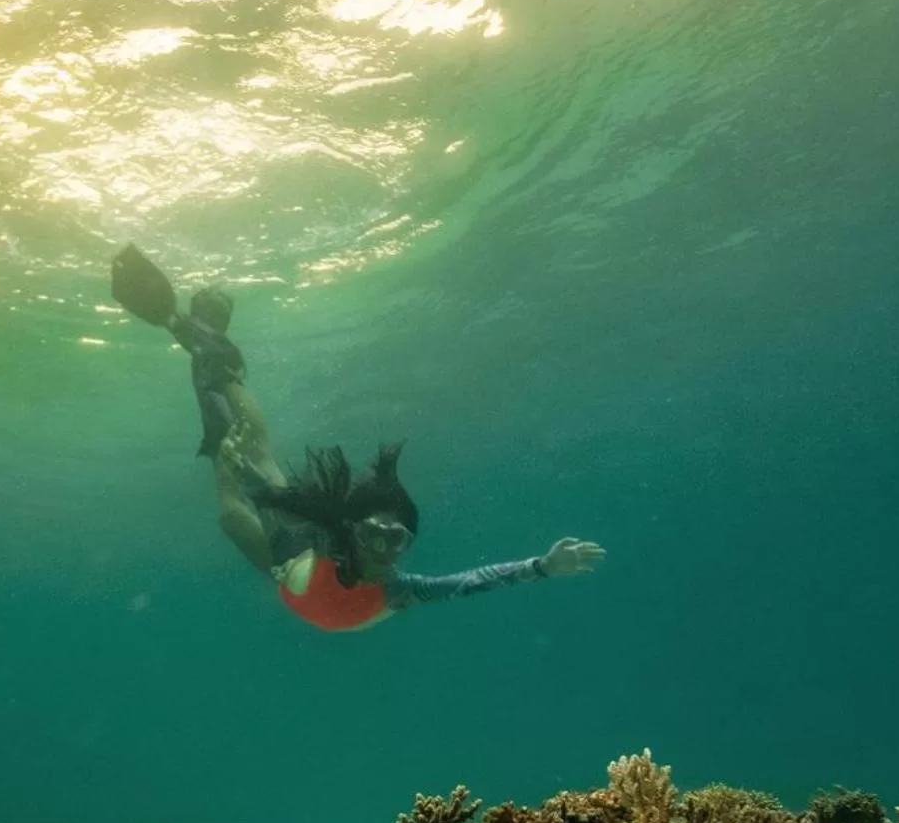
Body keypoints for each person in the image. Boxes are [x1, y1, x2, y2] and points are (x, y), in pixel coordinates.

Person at [110, 244, 604, 633]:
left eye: (396, 539)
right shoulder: (330, 542)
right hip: (296, 559)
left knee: (231, 495)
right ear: (354, 531)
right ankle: (211, 350)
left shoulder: (399, 590)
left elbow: (468, 584)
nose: (385, 550)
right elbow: (269, 496)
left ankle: (202, 346)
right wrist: (242, 465)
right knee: (245, 442)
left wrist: (543, 566)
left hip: (282, 563)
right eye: (375, 534)